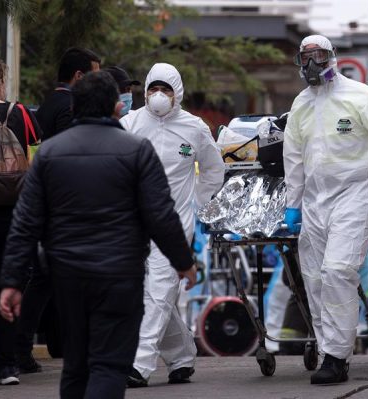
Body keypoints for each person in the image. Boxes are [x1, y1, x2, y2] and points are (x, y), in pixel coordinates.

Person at [0, 71, 197, 398]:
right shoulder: (137, 150)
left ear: (74, 105)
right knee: (108, 366)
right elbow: (160, 214)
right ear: (117, 107)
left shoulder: (49, 153)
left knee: (76, 364)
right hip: (120, 275)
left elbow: (25, 223)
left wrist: (11, 281)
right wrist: (183, 261)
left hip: (68, 277)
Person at [283, 35, 368, 384]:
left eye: (319, 55)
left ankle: (338, 357)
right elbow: (293, 158)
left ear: (333, 58)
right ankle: (328, 350)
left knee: (339, 271)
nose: (312, 63)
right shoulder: (301, 104)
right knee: (314, 278)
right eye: (306, 56)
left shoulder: (360, 96)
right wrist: (291, 204)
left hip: (353, 194)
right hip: (313, 200)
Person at [121, 62, 225, 387]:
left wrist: (198, 203)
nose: (159, 96)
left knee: (159, 291)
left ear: (177, 93)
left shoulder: (194, 128)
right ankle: (181, 355)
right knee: (147, 294)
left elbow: (213, 169)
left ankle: (138, 365)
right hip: (134, 225)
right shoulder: (129, 124)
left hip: (175, 224)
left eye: (166, 90)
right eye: (154, 89)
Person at [15, 47, 101, 373]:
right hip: (62, 207)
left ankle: (39, 347)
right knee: (46, 280)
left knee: (46, 279)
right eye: (93, 75)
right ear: (79, 77)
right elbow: (70, 157)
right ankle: (23, 348)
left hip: (47, 202)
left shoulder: (48, 104)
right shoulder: (68, 107)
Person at [0, 56, 42, 385]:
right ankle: (6, 366)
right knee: (7, 281)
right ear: (0, 78)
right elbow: (37, 158)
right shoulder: (20, 112)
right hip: (12, 212)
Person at [35, 47, 101, 140]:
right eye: (95, 76)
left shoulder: (50, 100)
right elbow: (69, 148)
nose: (99, 82)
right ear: (78, 76)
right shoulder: (71, 107)